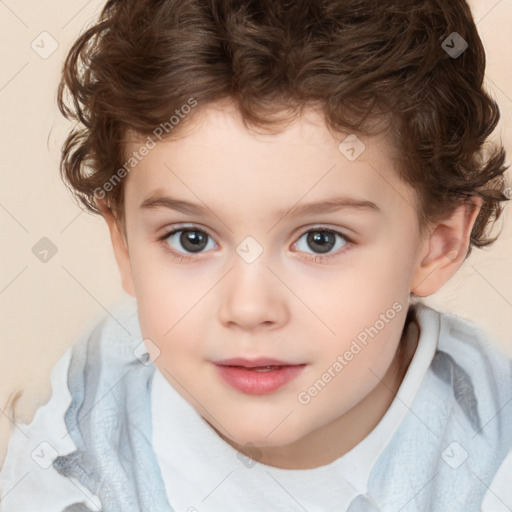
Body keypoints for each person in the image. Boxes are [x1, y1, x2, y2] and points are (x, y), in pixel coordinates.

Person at [1, 0, 511, 510]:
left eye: (320, 240)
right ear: (124, 245)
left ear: (438, 242)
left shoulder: (492, 462)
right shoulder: (76, 454)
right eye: (191, 239)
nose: (248, 308)